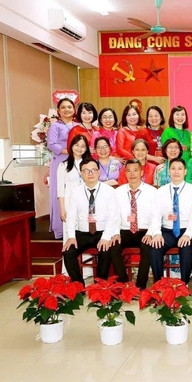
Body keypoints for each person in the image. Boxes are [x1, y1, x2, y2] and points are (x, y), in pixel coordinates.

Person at [61, 158, 120, 284]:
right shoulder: (75, 192)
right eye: (86, 171)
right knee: (68, 252)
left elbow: (113, 216)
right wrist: (71, 237)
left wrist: (106, 237)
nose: (90, 173)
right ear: (81, 173)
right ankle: (78, 286)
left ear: (99, 172)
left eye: (93, 170)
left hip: (102, 232)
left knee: (106, 250)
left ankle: (99, 286)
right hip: (82, 233)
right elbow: (71, 217)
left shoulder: (109, 191)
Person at [147, 158, 192, 283]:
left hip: (186, 230)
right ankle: (159, 284)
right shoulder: (161, 191)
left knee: (187, 248)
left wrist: (188, 234)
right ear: (169, 171)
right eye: (173, 168)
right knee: (155, 247)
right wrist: (156, 234)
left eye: (180, 169)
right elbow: (155, 215)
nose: (176, 172)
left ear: (185, 171)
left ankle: (184, 284)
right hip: (167, 231)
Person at [109, 159, 157, 288]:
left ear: (141, 172)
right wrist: (115, 233)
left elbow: (156, 216)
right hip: (125, 229)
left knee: (148, 246)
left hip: (144, 230)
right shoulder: (117, 192)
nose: (132, 174)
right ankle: (124, 283)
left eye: (135, 170)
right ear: (125, 173)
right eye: (129, 171)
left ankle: (140, 285)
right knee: (113, 245)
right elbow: (114, 215)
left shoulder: (152, 192)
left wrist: (151, 233)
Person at [47, 98, 77, 239]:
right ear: (58, 111)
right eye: (63, 107)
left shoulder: (78, 126)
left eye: (69, 107)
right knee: (60, 192)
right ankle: (59, 229)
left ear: (74, 109)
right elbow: (52, 144)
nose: (67, 110)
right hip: (60, 161)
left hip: (76, 160)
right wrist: (71, 151)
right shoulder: (55, 126)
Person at [57, 135, 91, 240]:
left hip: (86, 200)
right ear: (71, 146)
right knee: (70, 230)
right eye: (77, 145)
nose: (79, 148)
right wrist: (62, 208)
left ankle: (86, 251)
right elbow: (60, 189)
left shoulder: (90, 165)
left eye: (83, 146)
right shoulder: (63, 165)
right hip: (69, 201)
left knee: (85, 228)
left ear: (86, 149)